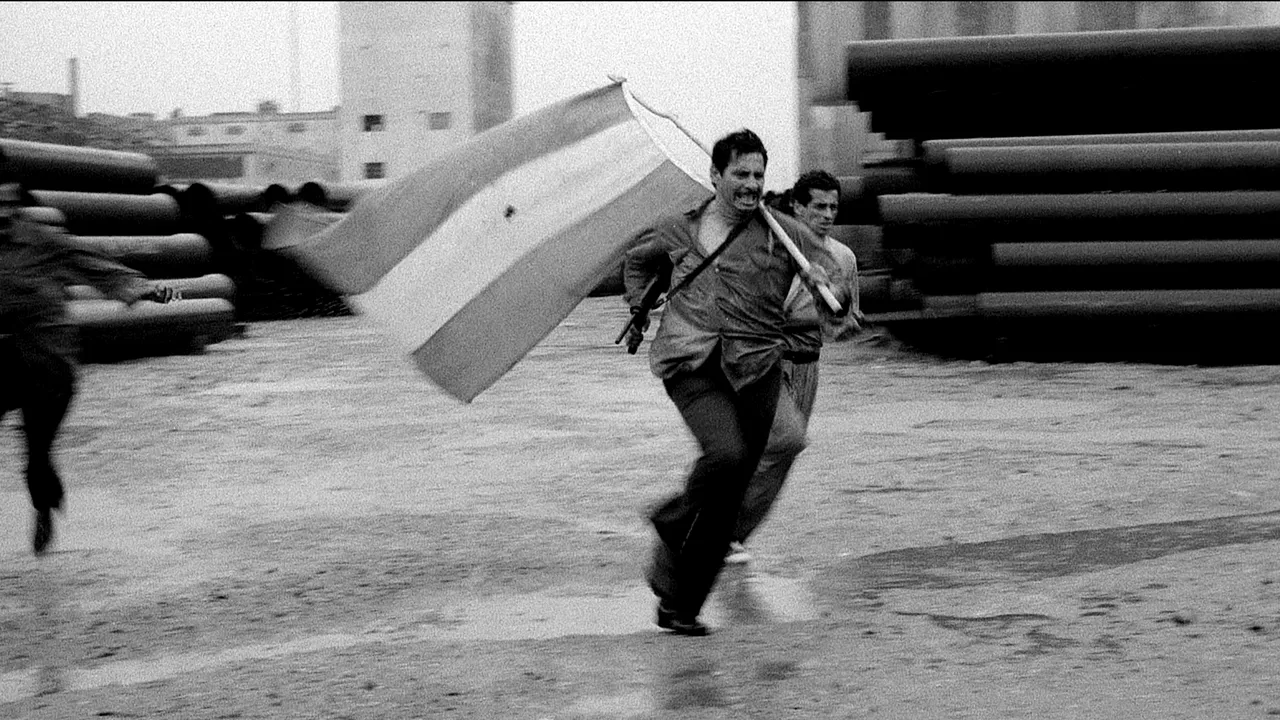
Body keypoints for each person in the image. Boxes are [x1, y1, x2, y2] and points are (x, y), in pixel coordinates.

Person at [622, 130, 852, 635]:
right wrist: (639, 307)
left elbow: (838, 288)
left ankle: (680, 605)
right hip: (692, 363)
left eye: (758, 175)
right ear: (715, 175)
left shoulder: (783, 233)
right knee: (726, 455)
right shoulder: (679, 228)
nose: (750, 184)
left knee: (729, 497)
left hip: (756, 368)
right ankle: (673, 521)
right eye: (740, 174)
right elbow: (637, 260)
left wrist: (823, 286)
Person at [1, 176, 181, 555]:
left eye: (6, 205)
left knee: (36, 454)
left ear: (17, 208)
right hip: (11, 358)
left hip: (51, 364)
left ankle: (44, 508)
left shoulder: (43, 241)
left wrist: (143, 289)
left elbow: (94, 265)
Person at [726, 169, 864, 565]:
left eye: (833, 207)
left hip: (807, 363)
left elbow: (844, 322)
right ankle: (719, 527)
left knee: (784, 454)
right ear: (798, 208)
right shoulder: (770, 249)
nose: (827, 214)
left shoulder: (842, 259)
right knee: (782, 441)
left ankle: (734, 533)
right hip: (765, 359)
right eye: (818, 206)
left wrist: (834, 311)